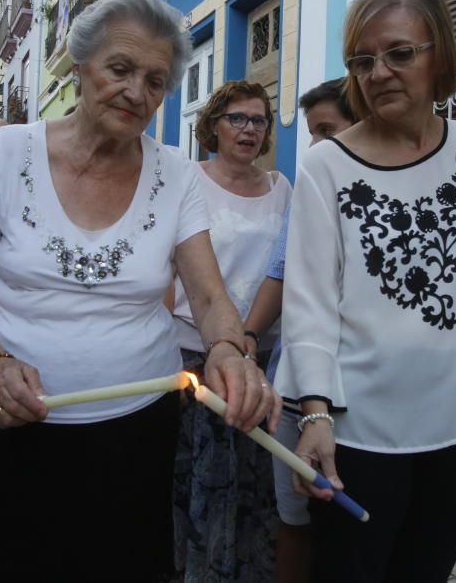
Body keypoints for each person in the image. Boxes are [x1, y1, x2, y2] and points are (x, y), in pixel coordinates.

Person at [0, 0, 281, 582]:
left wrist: (227, 348)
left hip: (135, 428)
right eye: (120, 70)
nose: (137, 92)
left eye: (155, 80)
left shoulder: (175, 174)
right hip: (9, 420)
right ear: (80, 65)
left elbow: (208, 296)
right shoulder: (7, 153)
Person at [275, 0, 456, 582]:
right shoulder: (327, 165)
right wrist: (315, 417)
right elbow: (309, 304)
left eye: (399, 53)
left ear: (440, 56)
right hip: (363, 434)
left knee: (427, 572)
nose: (379, 72)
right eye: (363, 60)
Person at [170, 80, 292, 582]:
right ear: (213, 125)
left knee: (252, 477)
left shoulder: (283, 188)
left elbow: (284, 270)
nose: (248, 129)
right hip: (190, 352)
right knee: (195, 475)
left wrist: (247, 337)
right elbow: (167, 270)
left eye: (259, 120)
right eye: (236, 118)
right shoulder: (186, 181)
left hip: (258, 352)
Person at [242, 77, 356, 583]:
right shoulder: (311, 189)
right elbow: (279, 273)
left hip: (359, 397)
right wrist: (243, 340)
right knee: (295, 520)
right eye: (312, 133)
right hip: (297, 392)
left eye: (327, 130)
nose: (313, 146)